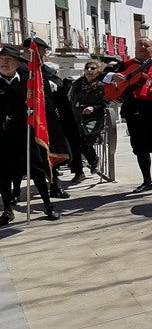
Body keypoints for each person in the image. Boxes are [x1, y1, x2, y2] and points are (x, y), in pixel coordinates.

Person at [104, 38, 152, 194]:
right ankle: (147, 181)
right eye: (139, 45)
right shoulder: (125, 64)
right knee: (139, 148)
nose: (142, 48)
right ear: (135, 48)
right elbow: (103, 74)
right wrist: (113, 77)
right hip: (133, 112)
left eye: (147, 45)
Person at [0, 46, 60, 223]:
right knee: (3, 174)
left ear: (18, 63)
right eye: (2, 59)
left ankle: (48, 205)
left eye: (9, 59)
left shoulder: (29, 82)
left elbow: (43, 105)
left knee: (36, 170)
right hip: (2, 137)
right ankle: (7, 210)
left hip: (26, 135)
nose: (5, 62)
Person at [22, 37, 75, 198]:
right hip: (28, 119)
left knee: (50, 153)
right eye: (42, 50)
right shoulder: (23, 69)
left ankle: (54, 186)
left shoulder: (43, 69)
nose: (44, 54)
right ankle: (16, 192)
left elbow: (56, 90)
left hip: (48, 118)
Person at [67, 60, 108, 181]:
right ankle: (78, 172)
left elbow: (106, 102)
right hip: (76, 117)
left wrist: (93, 108)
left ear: (98, 71)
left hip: (93, 119)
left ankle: (93, 160)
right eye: (87, 68)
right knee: (75, 144)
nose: (89, 71)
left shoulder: (102, 85)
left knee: (86, 144)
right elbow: (71, 98)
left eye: (92, 68)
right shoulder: (77, 83)